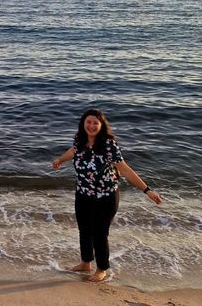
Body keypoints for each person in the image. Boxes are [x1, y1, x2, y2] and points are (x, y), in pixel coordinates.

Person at [52, 108, 162, 283]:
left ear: (101, 125)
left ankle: (102, 269)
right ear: (83, 124)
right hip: (83, 194)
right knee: (84, 230)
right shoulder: (79, 140)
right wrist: (59, 160)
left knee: (99, 233)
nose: (91, 125)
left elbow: (124, 169)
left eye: (96, 122)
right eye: (88, 122)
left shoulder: (108, 145)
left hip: (106, 197)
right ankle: (85, 263)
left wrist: (147, 190)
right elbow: (72, 151)